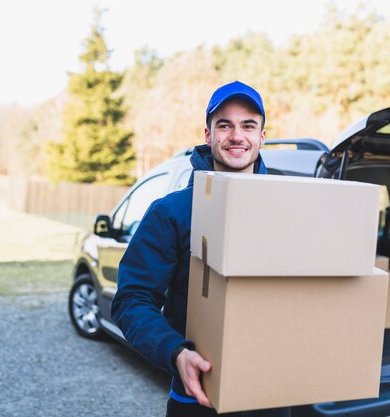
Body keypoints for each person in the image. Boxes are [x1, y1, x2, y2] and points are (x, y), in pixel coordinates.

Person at [112, 81, 291, 417]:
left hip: (272, 396)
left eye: (248, 125)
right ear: (208, 135)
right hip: (197, 397)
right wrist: (176, 352)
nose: (237, 136)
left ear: (262, 137)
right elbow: (131, 299)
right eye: (224, 125)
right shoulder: (171, 212)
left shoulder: (287, 206)